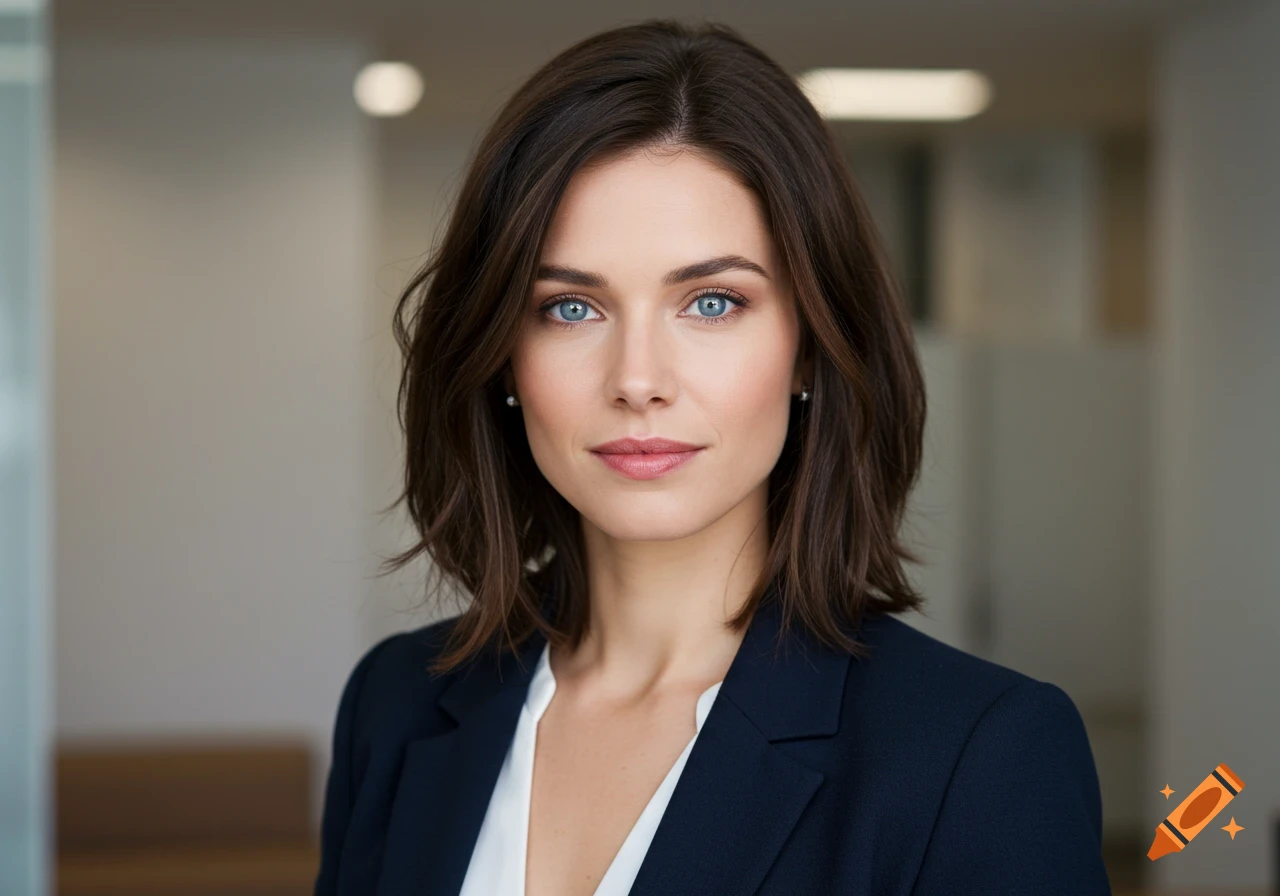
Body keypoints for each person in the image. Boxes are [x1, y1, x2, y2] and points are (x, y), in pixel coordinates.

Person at [314, 18, 1111, 896]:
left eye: (713, 303)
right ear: (503, 357)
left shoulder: (981, 754)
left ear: (811, 345)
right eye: (572, 309)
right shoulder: (394, 707)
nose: (639, 380)